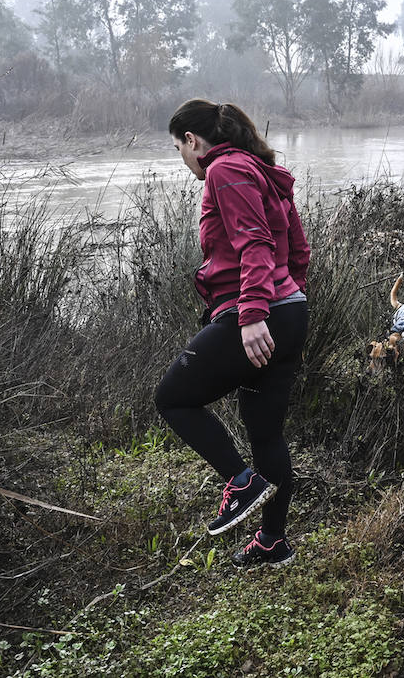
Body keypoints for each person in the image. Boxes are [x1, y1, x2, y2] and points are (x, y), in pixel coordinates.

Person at [155, 99, 309, 569]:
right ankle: (272, 542)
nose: (183, 161)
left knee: (173, 398)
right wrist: (285, 302)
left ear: (191, 141)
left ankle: (240, 483)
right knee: (266, 434)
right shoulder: (262, 171)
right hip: (288, 311)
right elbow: (298, 249)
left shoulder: (225, 170)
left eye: (178, 149)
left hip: (257, 313)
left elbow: (255, 243)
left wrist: (253, 314)